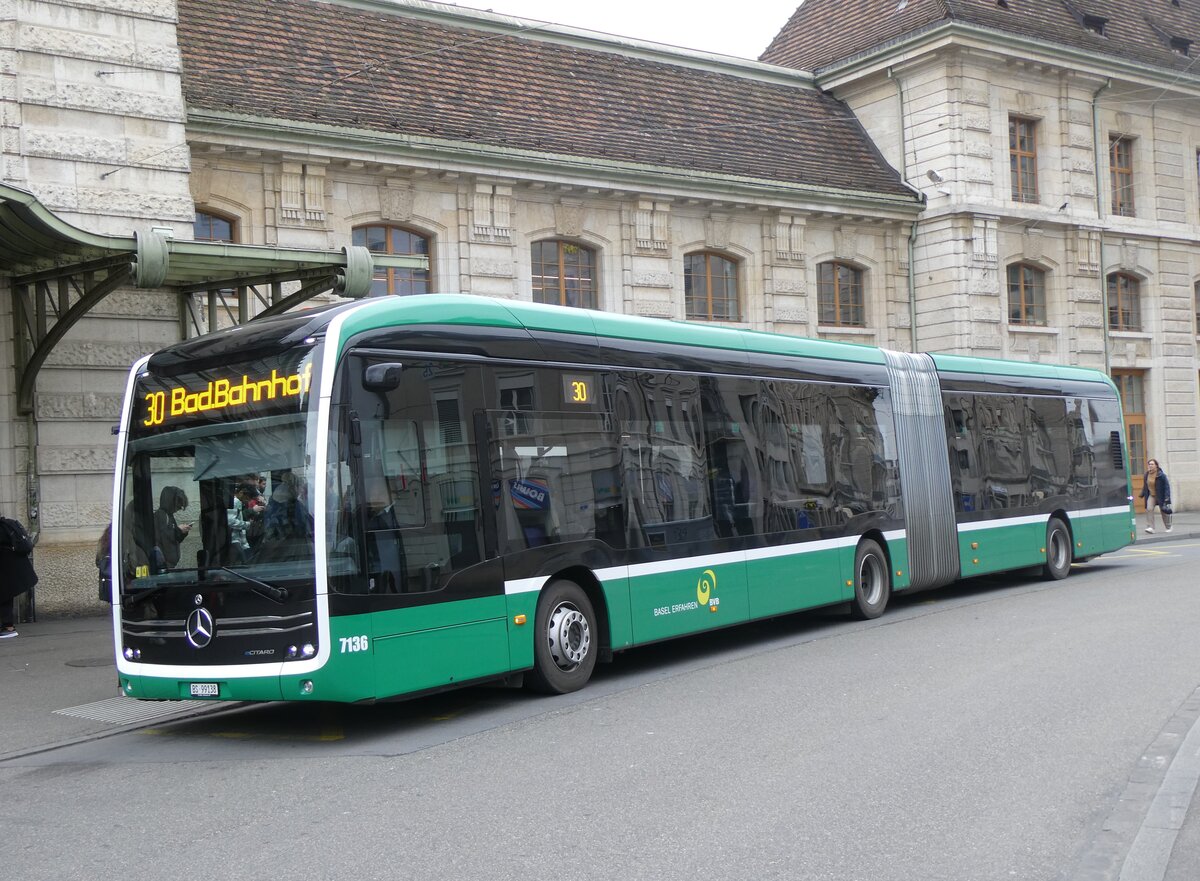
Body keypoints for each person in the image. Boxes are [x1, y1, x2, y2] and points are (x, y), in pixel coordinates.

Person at [0, 513, 38, 638]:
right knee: (6, 597)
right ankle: (8, 627)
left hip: (5, 567)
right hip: (11, 567)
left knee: (4, 597)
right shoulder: (6, 524)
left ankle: (8, 628)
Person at [153, 485, 192, 569]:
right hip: (164, 565)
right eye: (179, 504)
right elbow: (164, 539)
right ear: (170, 501)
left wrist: (182, 532)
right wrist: (178, 530)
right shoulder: (161, 515)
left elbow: (173, 539)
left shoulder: (169, 515)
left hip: (169, 565)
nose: (179, 508)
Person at [1141, 458, 1173, 534]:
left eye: (1152, 464)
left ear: (1156, 465)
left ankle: (1168, 526)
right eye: (1149, 464)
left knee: (1163, 511)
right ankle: (1151, 527)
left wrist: (1167, 497)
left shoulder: (1161, 475)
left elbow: (1166, 486)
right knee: (1149, 509)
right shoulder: (1146, 474)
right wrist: (1142, 493)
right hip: (1152, 495)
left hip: (1160, 495)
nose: (1150, 466)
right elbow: (1146, 485)